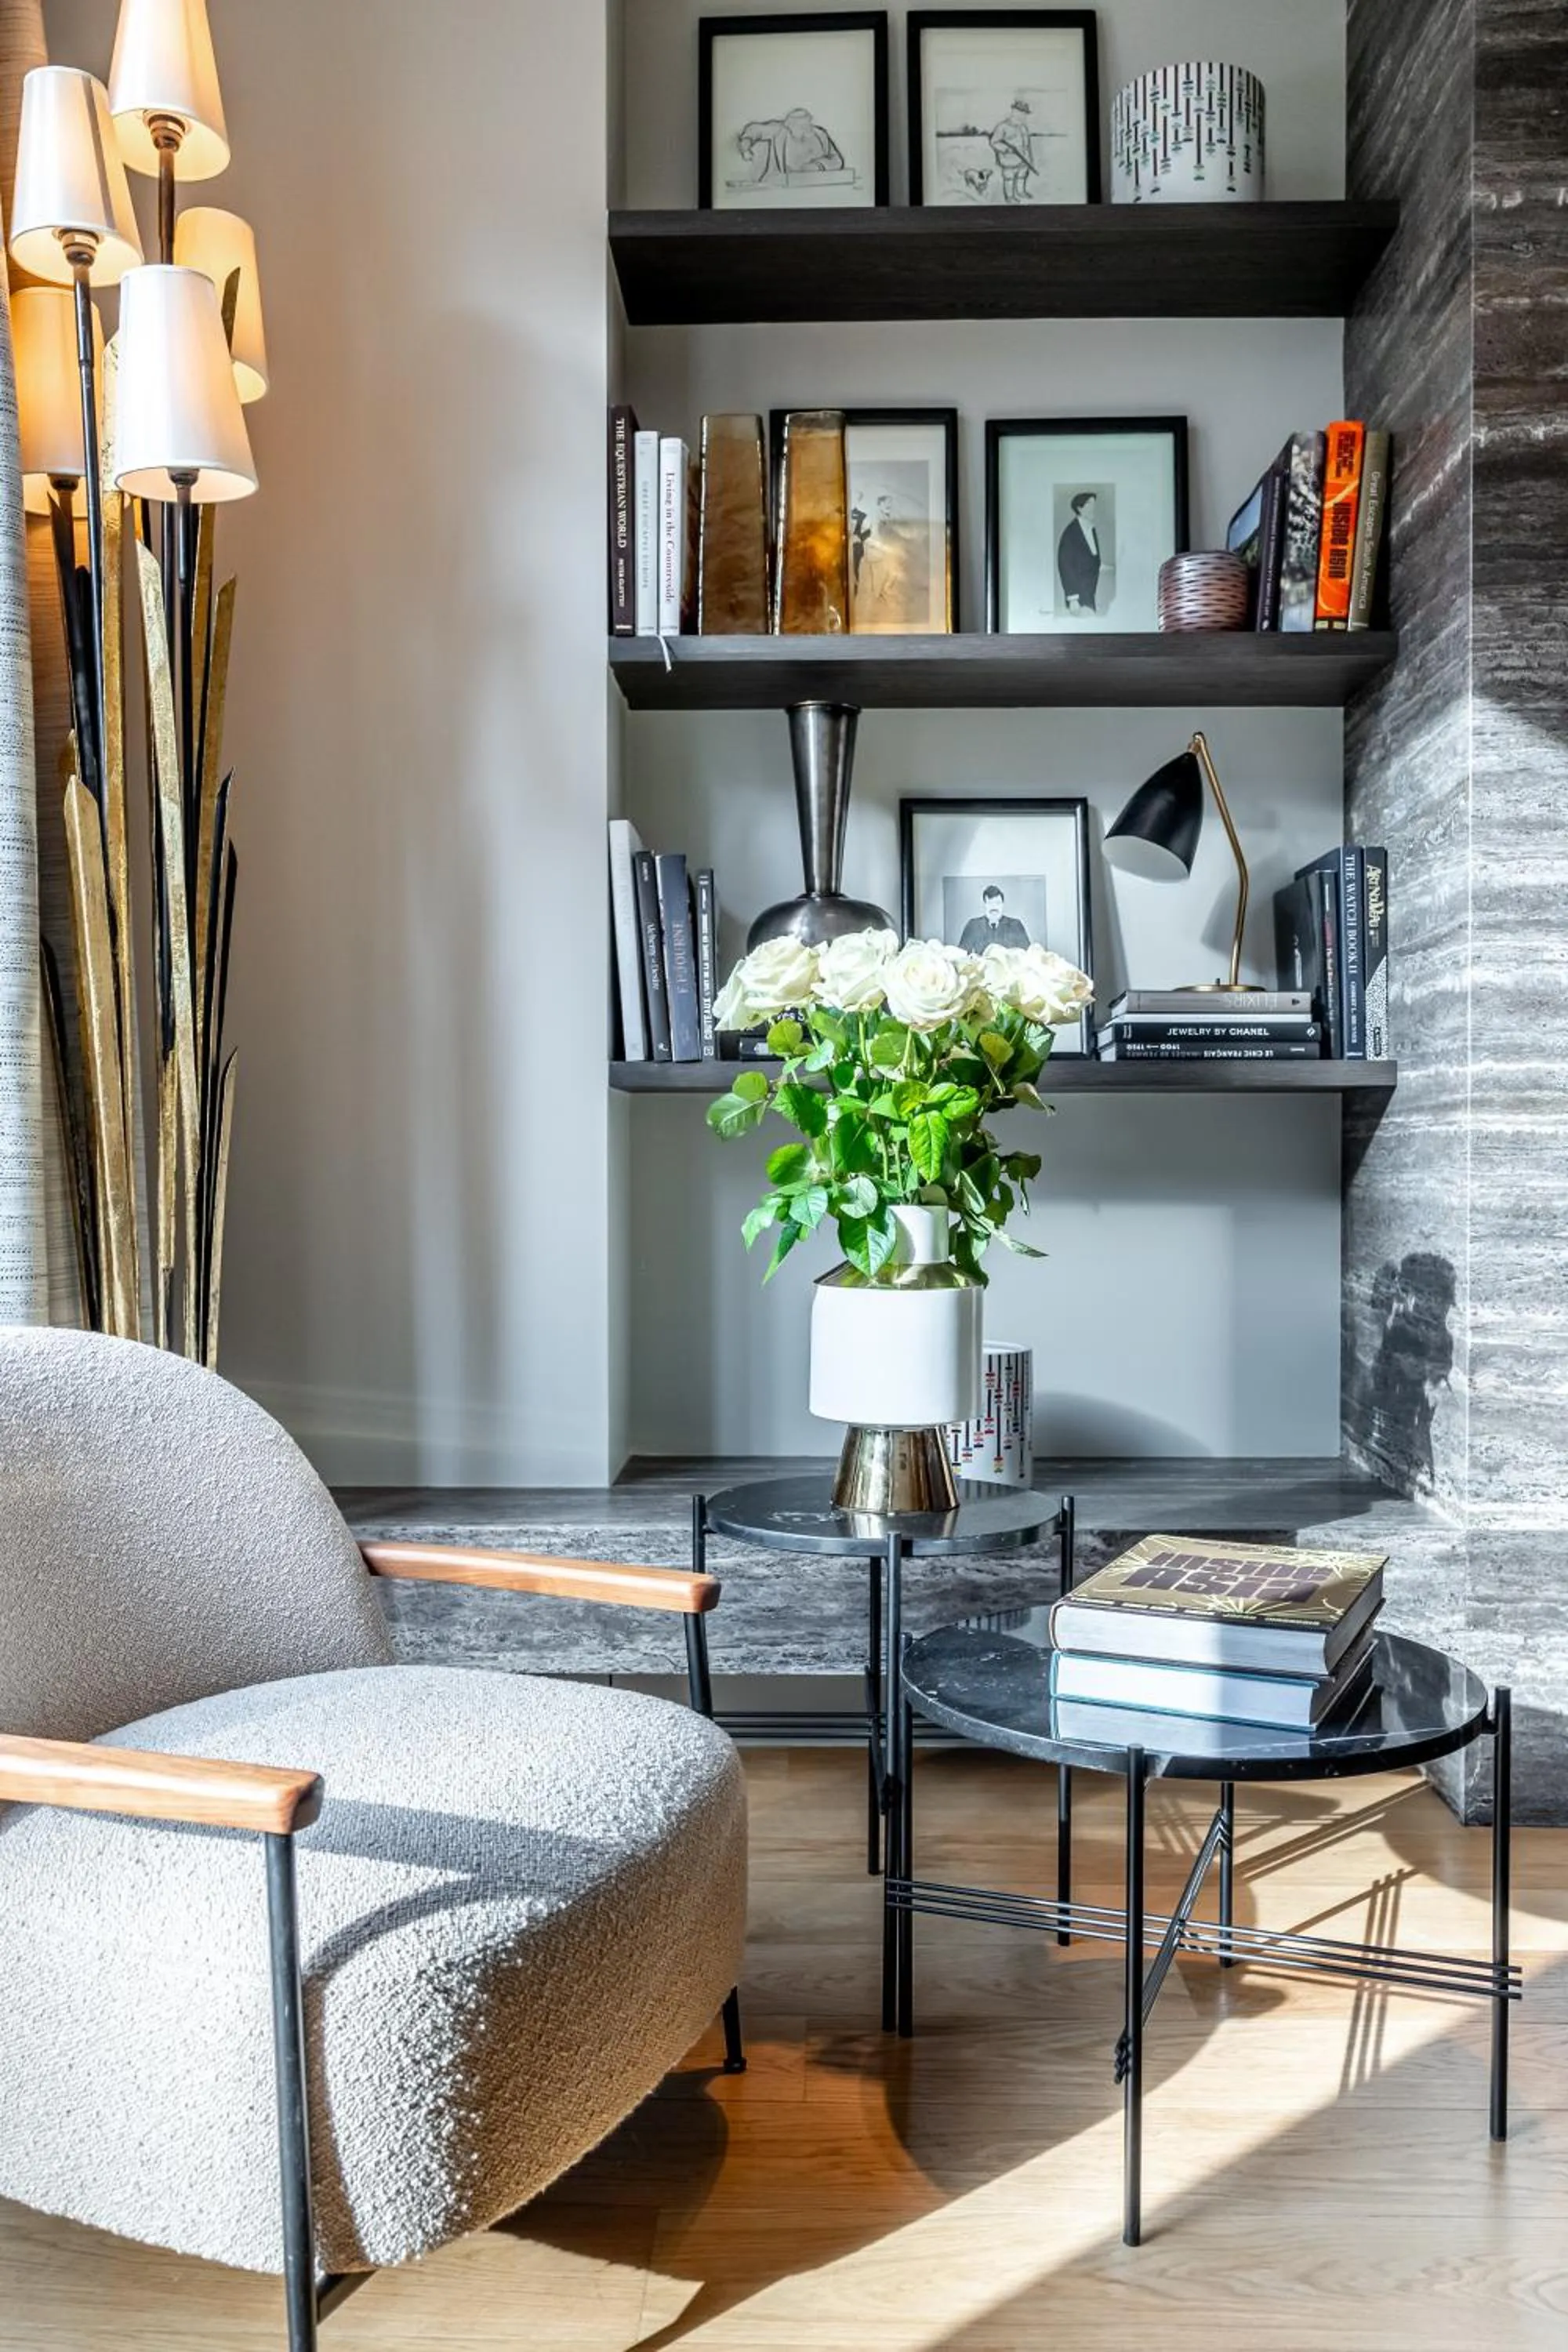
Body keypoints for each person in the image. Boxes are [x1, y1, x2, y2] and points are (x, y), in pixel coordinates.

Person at [1058, 490, 1102, 615]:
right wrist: (1073, 599)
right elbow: (1065, 566)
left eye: (1094, 505)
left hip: (1090, 592)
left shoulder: (1090, 528)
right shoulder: (1070, 534)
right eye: (1089, 505)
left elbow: (1089, 557)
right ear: (1079, 509)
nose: (1093, 509)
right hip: (1078, 598)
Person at [989, 97, 1036, 205]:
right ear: (1014, 112)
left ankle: (1021, 192)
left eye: (1025, 113)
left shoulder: (1023, 128)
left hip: (1023, 159)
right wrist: (1006, 149)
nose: (1023, 116)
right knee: (1009, 178)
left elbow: (1027, 145)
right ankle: (1010, 197)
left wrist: (1029, 158)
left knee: (1022, 176)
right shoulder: (1003, 127)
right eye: (1021, 112)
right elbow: (994, 142)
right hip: (1009, 160)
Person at [958, 884, 1031, 953]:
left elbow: (1027, 954)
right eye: (990, 903)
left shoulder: (1016, 925)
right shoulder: (973, 926)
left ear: (1003, 904)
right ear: (985, 904)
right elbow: (962, 955)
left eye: (997, 903)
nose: (994, 907)